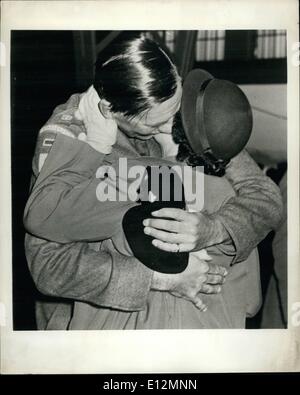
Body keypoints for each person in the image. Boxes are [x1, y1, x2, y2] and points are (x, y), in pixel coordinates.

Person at [23, 33, 283, 329]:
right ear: (110, 111)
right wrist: (157, 279)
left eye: (176, 112)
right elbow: (48, 265)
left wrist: (216, 228)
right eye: (155, 124)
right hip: (99, 326)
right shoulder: (69, 135)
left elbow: (265, 197)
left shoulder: (172, 103)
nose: (173, 126)